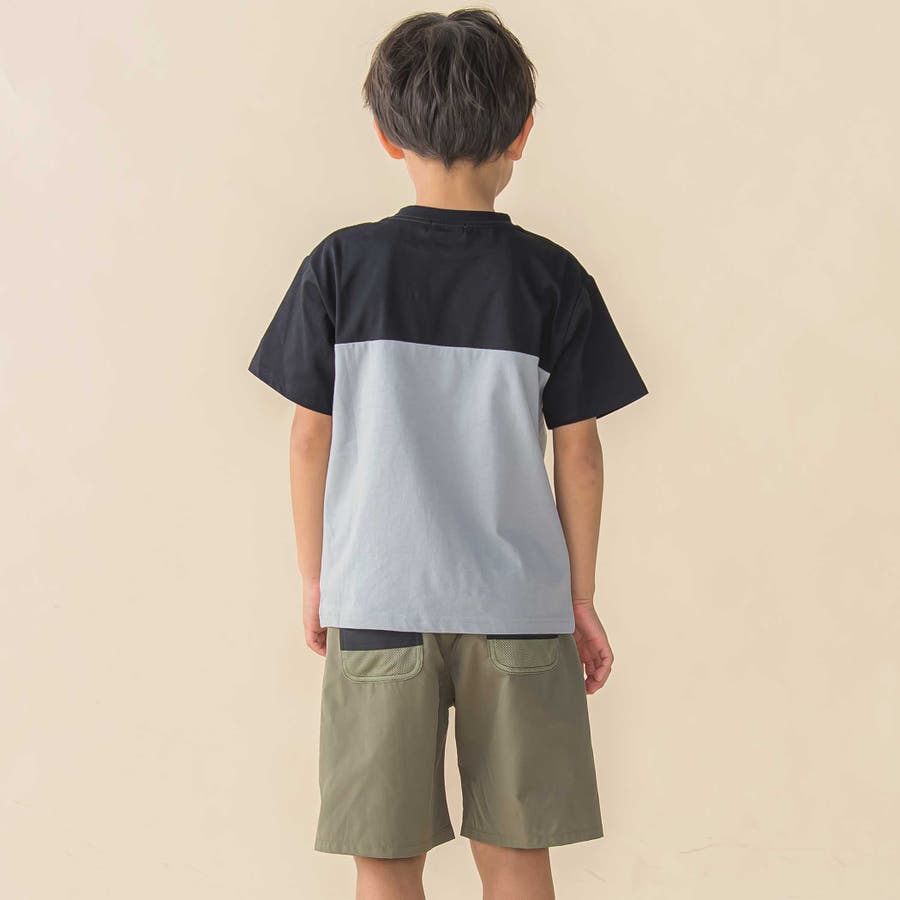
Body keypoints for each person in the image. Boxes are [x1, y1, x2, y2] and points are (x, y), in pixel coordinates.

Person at [248, 9, 649, 899]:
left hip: (378, 597)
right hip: (518, 605)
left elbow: (308, 435)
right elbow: (580, 454)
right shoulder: (553, 278)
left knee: (386, 859)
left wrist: (318, 578)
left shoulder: (340, 267)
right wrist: (579, 596)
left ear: (388, 135)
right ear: (522, 133)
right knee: (518, 855)